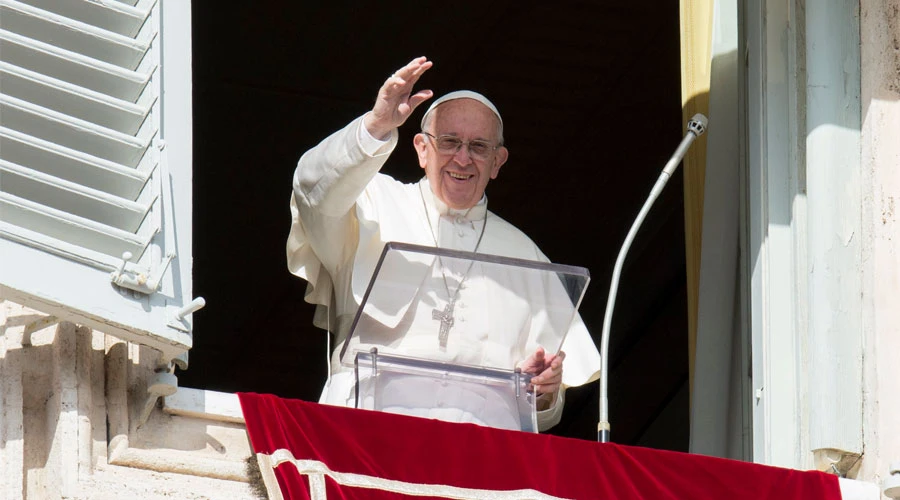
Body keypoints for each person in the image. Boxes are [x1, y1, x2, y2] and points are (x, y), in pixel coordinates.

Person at [287, 56, 601, 430]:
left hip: (481, 450)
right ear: (421, 148)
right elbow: (312, 191)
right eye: (450, 142)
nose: (463, 158)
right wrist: (376, 125)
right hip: (371, 427)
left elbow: (545, 404)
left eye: (479, 147)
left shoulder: (524, 252)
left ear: (497, 161)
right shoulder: (370, 204)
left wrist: (543, 389)